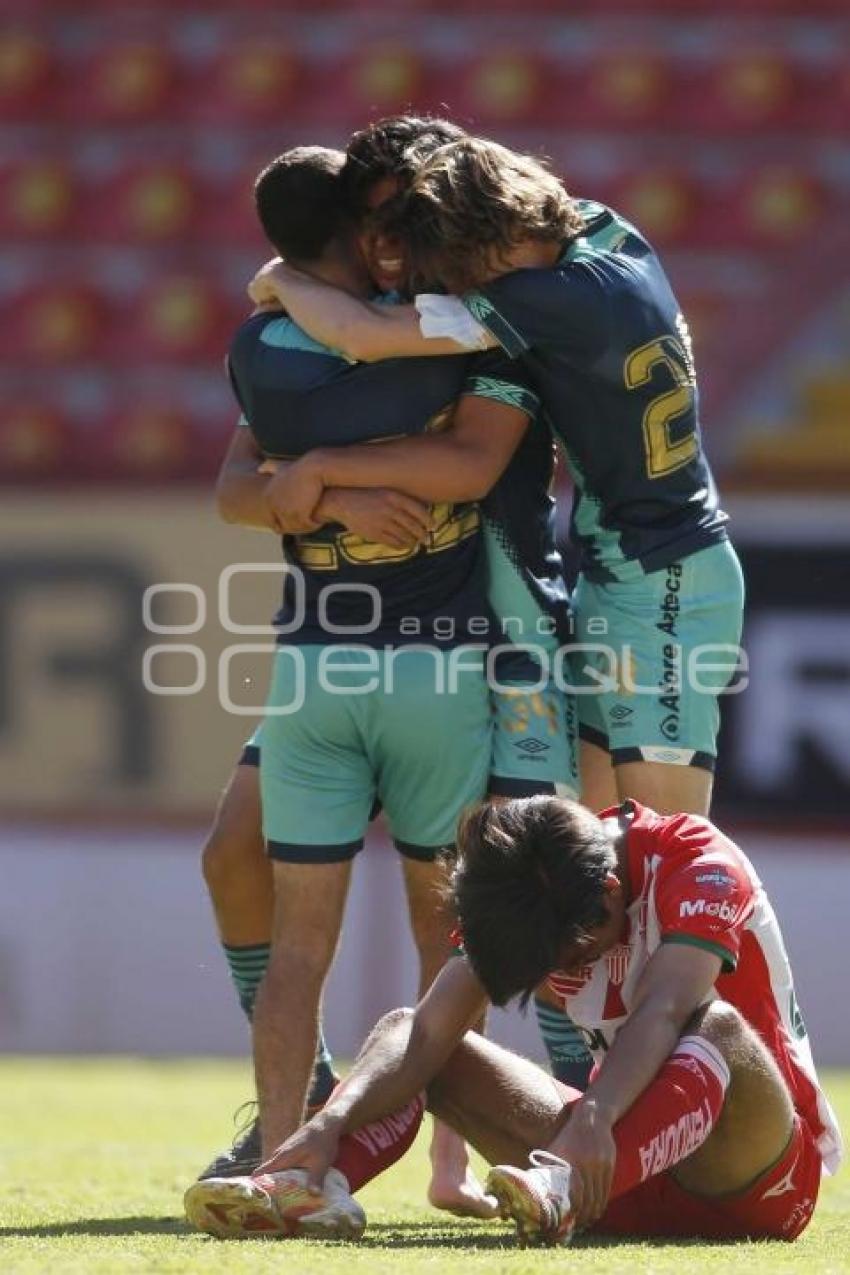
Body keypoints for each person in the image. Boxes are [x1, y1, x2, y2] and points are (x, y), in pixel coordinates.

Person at [199, 115, 592, 1193]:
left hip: (429, 649)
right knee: (370, 897)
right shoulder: (430, 336)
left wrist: (317, 472)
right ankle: (368, 1140)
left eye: (399, 225)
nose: (387, 243)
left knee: (427, 914)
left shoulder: (306, 344)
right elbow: (243, 490)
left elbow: (264, 470)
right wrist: (319, 485)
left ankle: (355, 1151)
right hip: (408, 658)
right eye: (371, 226)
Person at [246, 135, 745, 825]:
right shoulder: (603, 230)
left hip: (665, 584)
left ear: (494, 237)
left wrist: (286, 278)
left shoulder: (546, 297)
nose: (459, 284)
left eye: (460, 266)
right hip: (625, 571)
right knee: (605, 860)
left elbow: (364, 335)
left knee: (674, 854)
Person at [184, 795, 841, 1245]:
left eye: (567, 956)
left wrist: (592, 1117)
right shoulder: (518, 894)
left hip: (757, 1178)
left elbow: (668, 1007)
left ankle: (557, 1182)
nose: (564, 971)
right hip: (604, 1172)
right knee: (403, 1029)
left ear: (610, 895)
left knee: (714, 1025)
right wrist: (329, 1119)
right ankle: (309, 1186)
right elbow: (427, 1033)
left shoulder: (698, 862)